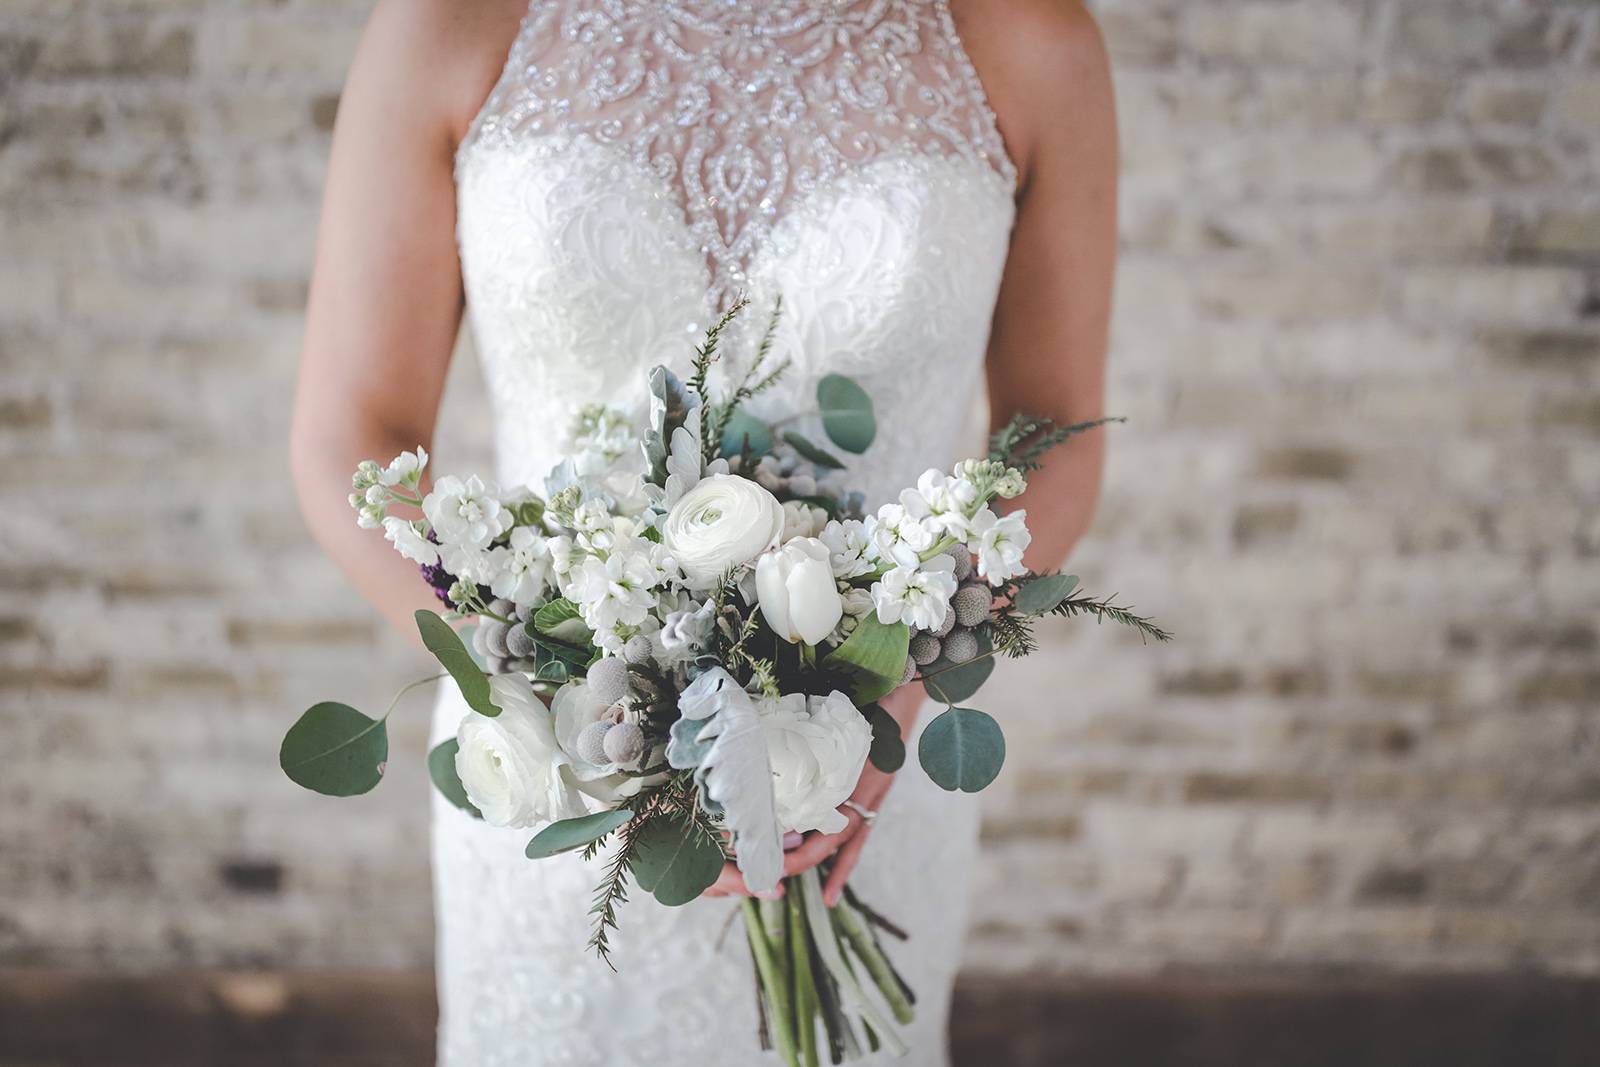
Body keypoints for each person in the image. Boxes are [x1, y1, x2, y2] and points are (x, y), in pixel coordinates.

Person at [290, 1, 1116, 1062]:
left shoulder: (1024, 39)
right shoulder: (451, 23)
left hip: (866, 775)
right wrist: (539, 668)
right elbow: (351, 435)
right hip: (558, 770)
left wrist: (879, 702)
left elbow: (1055, 434)